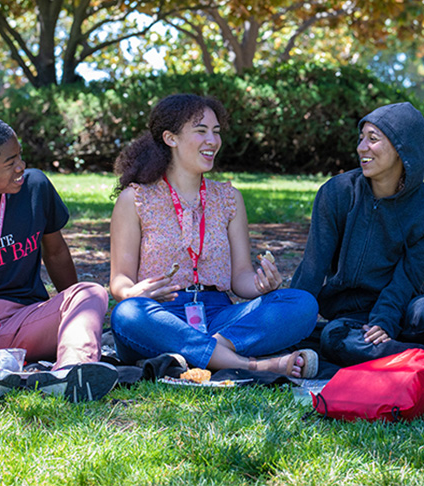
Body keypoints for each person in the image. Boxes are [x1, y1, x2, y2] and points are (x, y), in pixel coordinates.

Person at [109, 93, 319, 378]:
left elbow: (241, 279)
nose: (213, 141)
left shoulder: (229, 198)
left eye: (216, 132)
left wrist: (261, 286)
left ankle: (204, 354)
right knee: (127, 315)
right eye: (201, 131)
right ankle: (248, 365)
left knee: (302, 304)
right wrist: (131, 292)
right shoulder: (135, 199)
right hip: (161, 317)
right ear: (170, 138)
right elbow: (120, 280)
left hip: (222, 318)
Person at [0, 115, 118, 403]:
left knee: (90, 292)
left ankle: (73, 370)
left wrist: (71, 311)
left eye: (20, 156)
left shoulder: (35, 187)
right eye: (10, 163)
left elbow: (56, 252)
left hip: (24, 322)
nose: (21, 166)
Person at [291, 102, 424, 367]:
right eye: (361, 138)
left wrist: (384, 321)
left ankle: (392, 354)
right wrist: (288, 317)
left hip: (404, 308)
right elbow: (313, 268)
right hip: (352, 318)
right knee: (334, 338)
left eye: (373, 139)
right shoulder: (337, 193)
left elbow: (408, 276)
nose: (361, 147)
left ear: (402, 149)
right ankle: (412, 360)